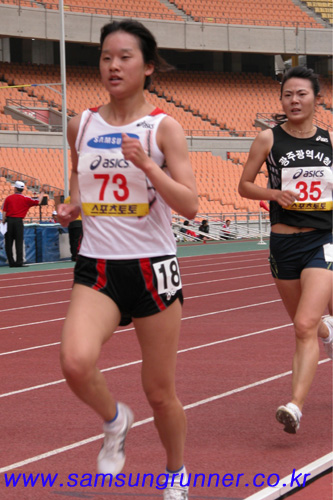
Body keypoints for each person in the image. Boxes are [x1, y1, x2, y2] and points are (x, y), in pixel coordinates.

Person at [56, 19, 198, 499]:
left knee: (160, 392)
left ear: (148, 66)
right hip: (97, 264)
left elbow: (190, 205)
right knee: (75, 363)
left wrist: (146, 166)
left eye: (124, 57)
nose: (113, 66)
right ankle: (115, 420)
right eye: (105, 57)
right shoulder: (83, 123)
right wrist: (73, 203)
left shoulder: (164, 127)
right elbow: (80, 176)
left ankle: (176, 474)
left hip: (152, 266)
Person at [238, 66, 333, 434]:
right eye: (288, 95)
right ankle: (329, 333)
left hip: (323, 241)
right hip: (283, 242)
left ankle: (294, 405)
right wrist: (273, 193)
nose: (294, 101)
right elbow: (245, 185)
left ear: (317, 100)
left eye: (302, 94)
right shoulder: (268, 139)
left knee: (304, 324)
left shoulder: (329, 141)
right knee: (306, 326)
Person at [2, 181, 46, 267]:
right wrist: (43, 192)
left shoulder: (8, 198)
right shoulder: (26, 199)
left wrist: (4, 220)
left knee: (8, 243)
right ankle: (19, 262)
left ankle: (11, 262)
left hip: (9, 221)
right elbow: (38, 201)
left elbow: (4, 211)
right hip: (18, 221)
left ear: (15, 188)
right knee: (19, 242)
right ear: (22, 189)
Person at [64, 195, 83, 261]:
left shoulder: (66, 200)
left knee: (71, 239)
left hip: (70, 221)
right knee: (77, 240)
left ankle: (73, 255)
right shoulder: (79, 198)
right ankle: (77, 255)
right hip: (78, 221)